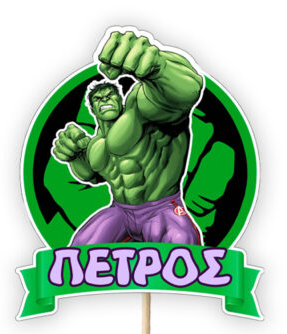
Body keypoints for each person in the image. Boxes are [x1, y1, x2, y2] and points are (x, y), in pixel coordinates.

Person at [52, 29, 203, 245]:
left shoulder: (140, 113)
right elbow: (94, 176)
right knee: (79, 250)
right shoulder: (96, 143)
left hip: (161, 209)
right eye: (99, 98)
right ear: (92, 108)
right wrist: (74, 156)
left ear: (120, 100)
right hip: (120, 211)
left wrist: (158, 67)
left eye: (110, 95)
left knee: (180, 246)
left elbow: (184, 94)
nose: (105, 99)